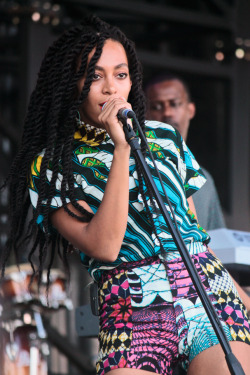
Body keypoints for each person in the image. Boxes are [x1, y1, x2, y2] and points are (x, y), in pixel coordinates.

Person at [1, 15, 250, 375]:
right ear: (71, 85)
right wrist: (121, 149)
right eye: (94, 76)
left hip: (206, 292)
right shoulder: (53, 165)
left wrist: (243, 300)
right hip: (131, 302)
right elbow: (104, 247)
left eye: (120, 74)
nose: (110, 88)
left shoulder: (164, 139)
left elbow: (193, 237)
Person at [144, 73, 226, 231]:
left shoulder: (204, 178)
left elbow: (217, 239)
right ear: (146, 114)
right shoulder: (133, 168)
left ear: (191, 109)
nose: (167, 113)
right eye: (156, 106)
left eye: (174, 104)